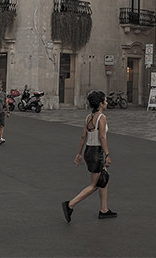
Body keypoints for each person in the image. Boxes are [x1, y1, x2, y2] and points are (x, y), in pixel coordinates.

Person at [63, 91, 115, 222]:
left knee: (104, 179)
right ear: (100, 104)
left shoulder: (88, 117)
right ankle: (70, 204)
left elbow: (83, 136)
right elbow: (102, 137)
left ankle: (104, 209)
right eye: (105, 100)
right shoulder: (101, 117)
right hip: (97, 152)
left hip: (88, 150)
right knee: (95, 185)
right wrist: (107, 154)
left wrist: (79, 154)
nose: (107, 102)